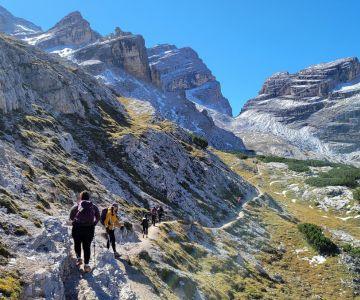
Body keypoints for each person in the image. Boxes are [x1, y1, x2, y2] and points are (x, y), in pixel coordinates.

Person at [69, 191, 100, 273]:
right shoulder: (93, 206)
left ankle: (79, 259)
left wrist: (76, 221)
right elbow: (98, 216)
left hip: (77, 228)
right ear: (89, 198)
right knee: (87, 247)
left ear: (81, 197)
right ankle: (86, 265)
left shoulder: (77, 206)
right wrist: (93, 224)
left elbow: (71, 217)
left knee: (77, 243)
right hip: (89, 229)